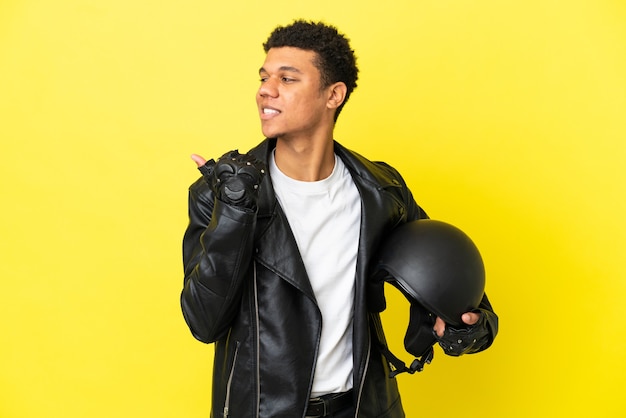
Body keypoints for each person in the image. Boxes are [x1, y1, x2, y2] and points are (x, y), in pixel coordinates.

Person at [181, 20, 498, 418]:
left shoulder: (380, 191)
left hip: (365, 406)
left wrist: (461, 329)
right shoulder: (222, 194)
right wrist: (234, 212)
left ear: (334, 95)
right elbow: (202, 322)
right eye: (264, 77)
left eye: (287, 78)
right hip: (263, 410)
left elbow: (463, 298)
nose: (266, 89)